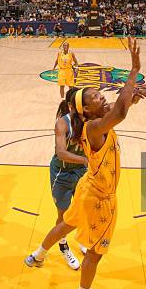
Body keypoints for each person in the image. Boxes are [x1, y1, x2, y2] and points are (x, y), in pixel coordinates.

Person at [25, 38, 146, 289]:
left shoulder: (95, 122)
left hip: (87, 186)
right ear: (86, 110)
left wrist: (131, 98)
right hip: (99, 197)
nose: (102, 96)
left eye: (99, 93)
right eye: (95, 97)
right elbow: (119, 111)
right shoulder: (92, 127)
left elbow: (119, 109)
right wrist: (134, 69)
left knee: (67, 224)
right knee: (94, 252)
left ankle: (38, 255)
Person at [49, 87, 89, 270]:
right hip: (62, 174)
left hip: (81, 172)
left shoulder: (88, 120)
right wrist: (86, 159)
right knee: (64, 215)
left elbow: (113, 110)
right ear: (73, 106)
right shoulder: (62, 124)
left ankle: (80, 238)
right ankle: (63, 246)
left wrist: (130, 100)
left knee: (81, 209)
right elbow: (61, 153)